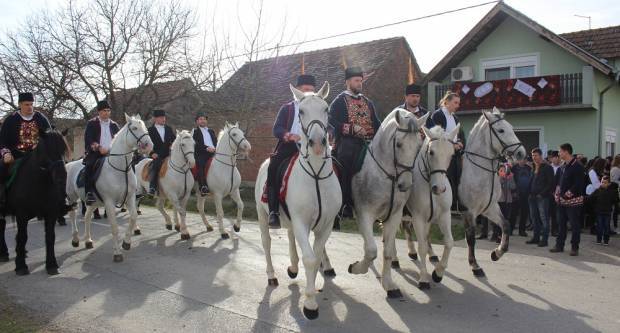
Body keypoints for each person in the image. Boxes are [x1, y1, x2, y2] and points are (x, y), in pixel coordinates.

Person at [328, 66, 381, 218]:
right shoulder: (339, 100)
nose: (360, 84)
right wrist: (351, 129)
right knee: (347, 159)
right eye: (356, 81)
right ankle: (345, 203)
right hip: (346, 143)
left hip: (368, 143)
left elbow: (377, 124)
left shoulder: (367, 102)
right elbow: (330, 121)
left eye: (361, 81)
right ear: (348, 82)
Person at [267, 74, 317, 228]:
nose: (309, 92)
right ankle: (273, 211)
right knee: (273, 167)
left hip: (312, 147)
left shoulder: (317, 105)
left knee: (333, 165)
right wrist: (288, 135)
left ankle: (335, 211)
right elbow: (277, 129)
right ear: (298, 91)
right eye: (305, 89)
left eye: (311, 90)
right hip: (289, 146)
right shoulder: (287, 108)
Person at [0, 92, 52, 212]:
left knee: (56, 168)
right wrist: (6, 153)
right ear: (20, 105)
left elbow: (50, 136)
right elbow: (2, 141)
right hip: (16, 155)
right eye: (26, 104)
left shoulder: (40, 118)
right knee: (1, 169)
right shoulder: (11, 119)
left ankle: (59, 200)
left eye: (31, 104)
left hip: (38, 156)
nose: (30, 107)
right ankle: (2, 202)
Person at [426, 91, 466, 211]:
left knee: (456, 180)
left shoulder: (455, 118)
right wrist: (452, 145)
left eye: (458, 103)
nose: (457, 105)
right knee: (444, 181)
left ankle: (453, 206)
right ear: (446, 102)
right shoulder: (437, 115)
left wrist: (460, 143)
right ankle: (440, 206)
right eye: (455, 102)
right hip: (442, 156)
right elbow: (437, 136)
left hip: (455, 155)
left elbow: (460, 135)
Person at [83, 101, 120, 205]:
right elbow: (88, 139)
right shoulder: (92, 123)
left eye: (108, 111)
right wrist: (99, 147)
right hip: (97, 153)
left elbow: (119, 140)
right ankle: (89, 193)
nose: (107, 113)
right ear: (99, 112)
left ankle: (129, 190)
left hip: (112, 154)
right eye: (104, 111)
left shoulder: (114, 125)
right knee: (89, 166)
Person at [551, 143, 585, 256]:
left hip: (574, 202)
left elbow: (578, 184)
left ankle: (574, 247)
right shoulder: (562, 166)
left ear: (566, 152)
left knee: (575, 225)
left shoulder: (578, 166)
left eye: (560, 151)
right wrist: (556, 193)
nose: (559, 153)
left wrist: (566, 195)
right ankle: (559, 245)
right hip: (561, 202)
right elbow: (558, 182)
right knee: (561, 224)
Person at [526, 148, 554, 247]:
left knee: (544, 218)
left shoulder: (547, 167)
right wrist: (529, 193)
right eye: (533, 155)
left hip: (542, 197)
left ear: (541, 155)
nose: (534, 157)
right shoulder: (533, 166)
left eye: (536, 155)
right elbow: (531, 181)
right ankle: (536, 237)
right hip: (532, 197)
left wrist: (542, 194)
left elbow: (551, 183)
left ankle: (544, 240)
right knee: (534, 218)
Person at [146, 109, 175, 196]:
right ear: (155, 119)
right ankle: (152, 187)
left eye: (164, 117)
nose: (164, 119)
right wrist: (151, 153)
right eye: (161, 117)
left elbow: (174, 140)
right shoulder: (150, 130)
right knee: (156, 165)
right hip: (156, 155)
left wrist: (172, 145)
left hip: (168, 154)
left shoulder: (169, 129)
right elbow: (146, 145)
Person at [193, 113, 217, 196]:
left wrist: (215, 148)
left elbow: (215, 142)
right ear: (197, 121)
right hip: (201, 154)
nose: (203, 120)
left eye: (204, 119)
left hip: (214, 152)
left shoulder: (211, 131)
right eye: (200, 119)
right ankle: (203, 186)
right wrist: (207, 148)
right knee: (200, 163)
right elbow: (195, 144)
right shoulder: (195, 131)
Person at [591, 176, 618, 245]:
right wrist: (583, 199)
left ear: (609, 184)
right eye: (602, 182)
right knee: (599, 226)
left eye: (605, 183)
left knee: (606, 226)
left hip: (607, 212)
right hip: (599, 211)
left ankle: (606, 240)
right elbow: (591, 198)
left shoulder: (612, 192)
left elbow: (615, 201)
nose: (603, 184)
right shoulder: (597, 191)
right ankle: (599, 239)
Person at [512, 158, 532, 237]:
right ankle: (511, 229)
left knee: (524, 213)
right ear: (518, 160)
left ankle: (522, 230)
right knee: (513, 213)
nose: (522, 161)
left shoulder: (529, 168)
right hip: (516, 194)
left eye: (524, 159)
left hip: (526, 194)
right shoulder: (514, 168)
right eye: (521, 159)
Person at [549, 150, 562, 236]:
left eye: (558, 157)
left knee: (558, 213)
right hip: (549, 193)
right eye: (554, 158)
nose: (556, 159)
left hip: (559, 193)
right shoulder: (549, 167)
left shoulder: (562, 167)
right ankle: (551, 229)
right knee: (550, 213)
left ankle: (557, 229)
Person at [610, 154, 620, 233]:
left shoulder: (614, 168)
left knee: (615, 209)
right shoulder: (616, 169)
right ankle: (614, 227)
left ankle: (614, 226)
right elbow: (614, 181)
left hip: (614, 190)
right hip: (614, 191)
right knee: (615, 209)